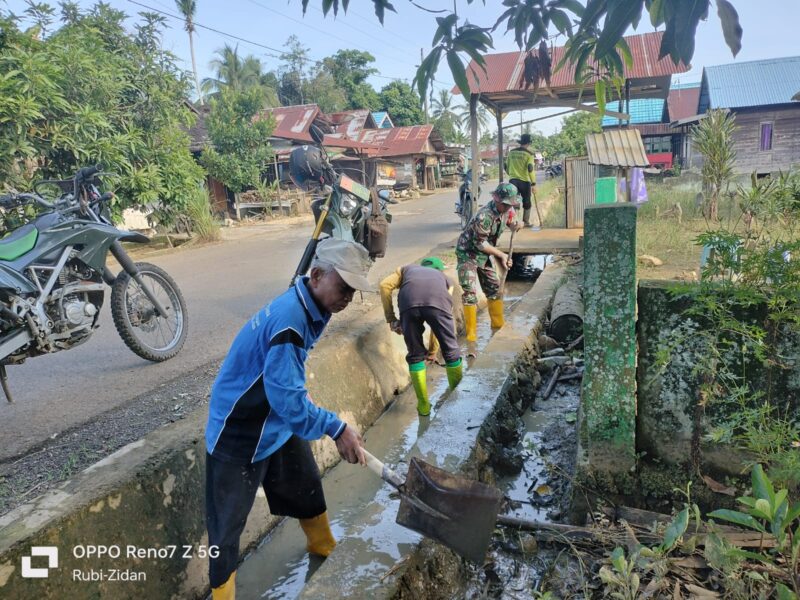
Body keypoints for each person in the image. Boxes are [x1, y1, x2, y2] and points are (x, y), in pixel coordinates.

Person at [204, 239, 373, 600]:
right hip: (240, 429)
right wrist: (336, 427)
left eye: (353, 291)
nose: (347, 298)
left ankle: (325, 548)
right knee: (226, 529)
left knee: (306, 486)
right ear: (316, 276)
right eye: (343, 287)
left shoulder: (311, 304)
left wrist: (294, 391)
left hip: (275, 422)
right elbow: (290, 403)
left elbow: (285, 383)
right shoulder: (289, 321)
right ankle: (222, 594)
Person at [379, 257, 463, 416]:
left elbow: (384, 285)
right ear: (440, 269)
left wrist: (391, 319)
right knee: (451, 351)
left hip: (408, 303)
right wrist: (433, 351)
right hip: (438, 302)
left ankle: (424, 406)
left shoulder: (406, 269)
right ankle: (456, 399)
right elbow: (437, 328)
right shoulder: (446, 280)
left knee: (415, 355)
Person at [456, 183, 521, 343]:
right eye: (504, 204)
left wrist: (516, 225)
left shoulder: (508, 210)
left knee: (494, 287)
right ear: (496, 198)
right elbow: (481, 244)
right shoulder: (484, 216)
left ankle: (498, 325)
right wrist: (502, 256)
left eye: (509, 204)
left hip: (484, 256)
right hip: (468, 254)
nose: (507, 207)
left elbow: (513, 220)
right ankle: (471, 335)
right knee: (470, 292)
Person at [505, 133, 538, 227]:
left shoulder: (511, 153)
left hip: (513, 181)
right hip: (525, 181)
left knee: (514, 201)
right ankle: (526, 222)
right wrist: (534, 183)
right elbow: (530, 169)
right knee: (527, 202)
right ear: (528, 143)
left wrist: (512, 174)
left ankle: (515, 222)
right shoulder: (529, 154)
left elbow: (506, 167)